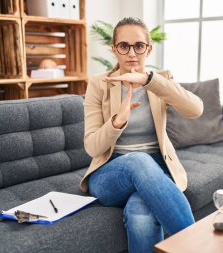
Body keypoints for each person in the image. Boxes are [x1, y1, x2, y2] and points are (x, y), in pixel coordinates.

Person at [79, 17, 204, 253]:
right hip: (109, 173)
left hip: (156, 170)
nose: (131, 53)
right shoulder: (99, 84)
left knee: (142, 214)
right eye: (124, 46)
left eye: (139, 46)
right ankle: (196, 247)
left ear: (149, 48)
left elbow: (195, 109)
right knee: (138, 160)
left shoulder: (160, 81)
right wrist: (117, 122)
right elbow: (92, 148)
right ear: (114, 49)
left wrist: (150, 80)